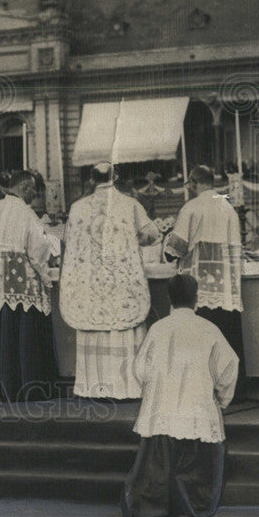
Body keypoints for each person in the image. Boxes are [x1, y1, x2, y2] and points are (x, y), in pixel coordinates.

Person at [121, 274, 238, 517]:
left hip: (161, 414)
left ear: (169, 298)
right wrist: (222, 399)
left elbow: (140, 369)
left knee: (156, 464)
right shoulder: (209, 329)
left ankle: (156, 504)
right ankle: (191, 503)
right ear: (196, 298)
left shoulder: (157, 329)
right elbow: (229, 367)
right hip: (197, 412)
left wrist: (157, 389)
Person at [60, 162, 161, 401]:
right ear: (115, 176)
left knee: (94, 327)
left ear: (93, 178)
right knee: (122, 330)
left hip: (91, 285)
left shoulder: (77, 208)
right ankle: (128, 388)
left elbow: (67, 239)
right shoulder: (130, 204)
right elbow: (153, 235)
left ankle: (93, 389)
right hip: (121, 284)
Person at [0, 169, 61, 402]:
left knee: (2, 336)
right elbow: (38, 251)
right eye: (34, 191)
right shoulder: (25, 214)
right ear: (25, 188)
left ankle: (1, 388)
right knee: (26, 337)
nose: (35, 196)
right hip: (22, 286)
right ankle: (31, 388)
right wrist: (48, 269)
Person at [166, 165, 246, 395]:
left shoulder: (192, 207)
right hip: (225, 285)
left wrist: (167, 251)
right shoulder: (227, 207)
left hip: (199, 286)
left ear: (193, 182)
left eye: (189, 184)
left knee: (201, 334)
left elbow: (177, 247)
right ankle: (234, 389)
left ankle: (201, 388)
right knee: (227, 334)